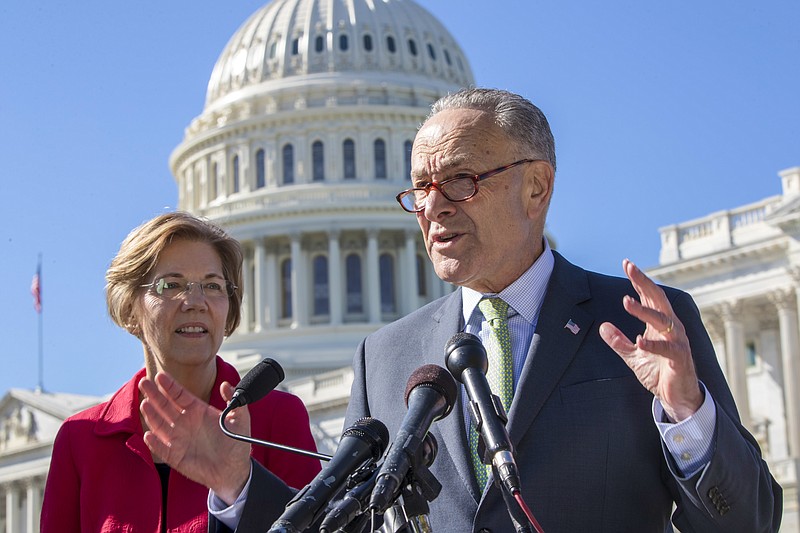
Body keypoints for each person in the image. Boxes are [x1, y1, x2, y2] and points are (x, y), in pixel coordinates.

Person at [142, 89, 782, 532]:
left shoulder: (643, 322)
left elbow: (750, 521)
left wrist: (689, 420)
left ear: (537, 188)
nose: (435, 206)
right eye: (420, 187)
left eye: (460, 181)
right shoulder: (387, 358)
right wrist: (240, 482)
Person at [40, 212, 321, 532]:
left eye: (213, 285)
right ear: (130, 309)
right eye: (171, 284)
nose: (196, 301)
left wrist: (239, 485)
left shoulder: (274, 418)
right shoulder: (81, 440)